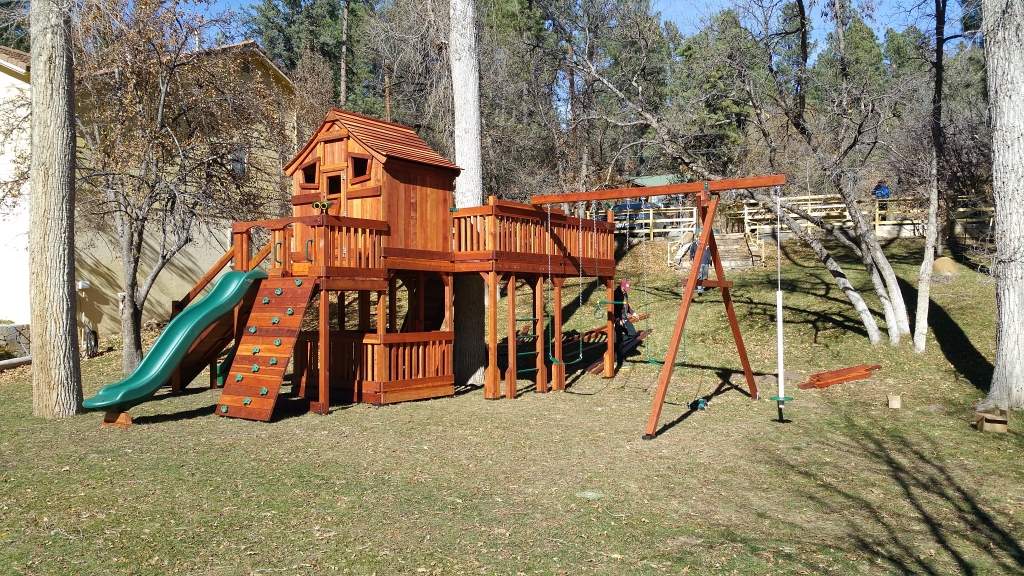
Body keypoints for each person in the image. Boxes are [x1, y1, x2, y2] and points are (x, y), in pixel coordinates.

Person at [614, 279, 638, 366]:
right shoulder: (615, 294)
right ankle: (619, 359)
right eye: (624, 289)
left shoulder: (625, 294)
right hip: (618, 320)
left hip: (625, 318)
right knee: (618, 339)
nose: (625, 291)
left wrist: (633, 313)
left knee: (632, 334)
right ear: (621, 286)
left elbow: (627, 307)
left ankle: (617, 345)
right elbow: (613, 309)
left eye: (626, 290)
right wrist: (617, 319)